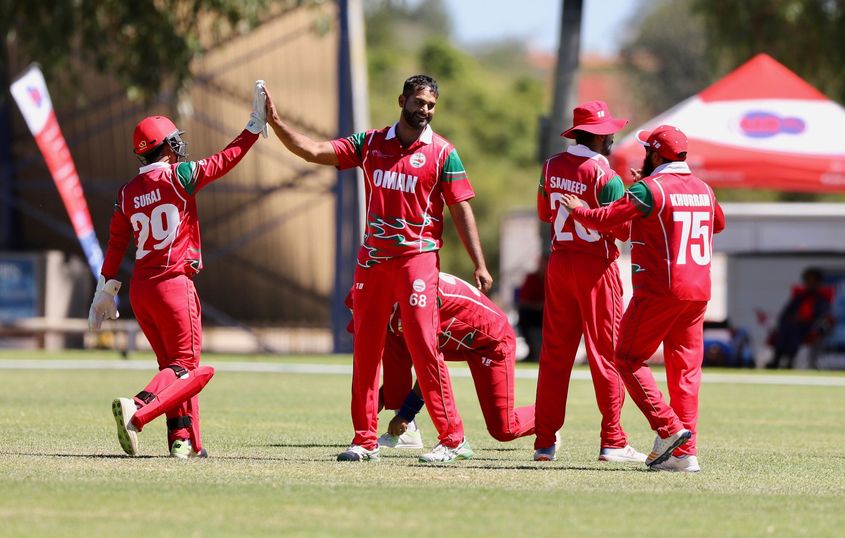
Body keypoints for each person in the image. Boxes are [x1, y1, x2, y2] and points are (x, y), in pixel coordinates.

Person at [264, 75, 492, 463]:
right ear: (402, 99)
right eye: (419, 102)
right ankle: (364, 439)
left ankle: (453, 439)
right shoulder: (369, 144)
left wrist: (479, 263)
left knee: (423, 344)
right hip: (372, 262)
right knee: (367, 349)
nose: (425, 111)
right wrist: (276, 122)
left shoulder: (442, 152)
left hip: (418, 259)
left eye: (431, 106)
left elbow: (460, 208)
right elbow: (314, 151)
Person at [88, 81, 268, 458]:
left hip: (141, 289)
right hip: (173, 284)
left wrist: (106, 288)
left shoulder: (126, 192)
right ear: (167, 147)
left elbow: (117, 242)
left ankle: (183, 441)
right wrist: (253, 126)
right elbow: (226, 159)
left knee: (173, 369)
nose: (180, 146)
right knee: (186, 367)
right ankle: (138, 407)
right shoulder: (179, 176)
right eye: (175, 141)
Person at [561, 124, 726, 473]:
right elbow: (718, 224)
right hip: (698, 292)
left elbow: (606, 219)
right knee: (685, 374)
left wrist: (577, 209)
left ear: (654, 154)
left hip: (660, 291)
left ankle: (668, 429)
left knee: (626, 357)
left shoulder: (649, 188)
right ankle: (686, 453)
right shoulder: (703, 188)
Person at [533, 100, 645, 464]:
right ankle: (613, 440)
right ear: (598, 137)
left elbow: (544, 212)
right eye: (609, 131)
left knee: (554, 357)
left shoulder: (550, 167)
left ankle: (544, 442)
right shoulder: (606, 177)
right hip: (596, 268)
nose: (612, 136)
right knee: (607, 356)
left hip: (560, 264)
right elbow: (623, 229)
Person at [361, 272, 534, 448]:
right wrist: (382, 397)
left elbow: (430, 367)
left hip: (492, 344)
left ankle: (546, 420)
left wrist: (407, 413)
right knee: (396, 338)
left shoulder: (418, 302)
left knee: (504, 429)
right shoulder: (403, 290)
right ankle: (409, 433)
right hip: (457, 337)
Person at [766, 267, 833, 369]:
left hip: (810, 327)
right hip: (791, 325)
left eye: (813, 281)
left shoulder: (822, 300)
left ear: (818, 283)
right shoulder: (798, 298)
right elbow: (785, 314)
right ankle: (777, 358)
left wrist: (805, 319)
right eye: (807, 281)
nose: (810, 284)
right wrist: (792, 319)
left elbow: (824, 316)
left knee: (794, 330)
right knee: (785, 328)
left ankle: (789, 359)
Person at [516, 253, 546, 362]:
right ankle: (533, 351)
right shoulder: (532, 278)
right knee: (525, 313)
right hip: (535, 315)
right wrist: (540, 306)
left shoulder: (555, 278)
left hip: (549, 314)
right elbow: (523, 301)